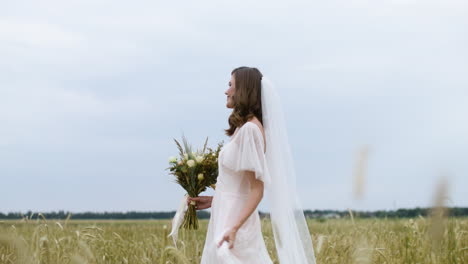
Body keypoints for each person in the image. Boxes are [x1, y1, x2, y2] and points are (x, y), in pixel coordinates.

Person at [189, 66, 317, 264]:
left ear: (244, 91)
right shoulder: (243, 130)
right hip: (226, 217)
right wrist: (213, 201)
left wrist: (233, 228)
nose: (226, 91)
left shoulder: (250, 130)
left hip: (235, 225)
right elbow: (240, 188)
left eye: (230, 85)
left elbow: (257, 189)